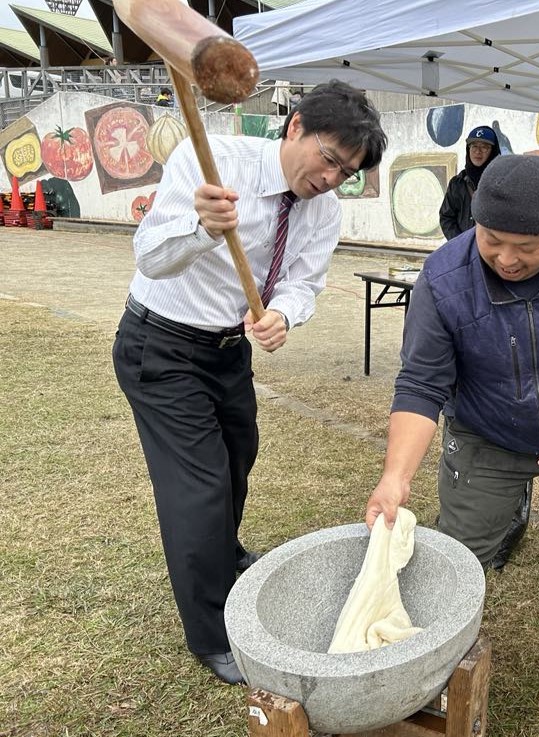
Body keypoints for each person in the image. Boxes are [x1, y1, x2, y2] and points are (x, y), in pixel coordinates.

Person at [112, 80, 388, 684]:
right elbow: (150, 257)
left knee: (238, 457)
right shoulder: (211, 162)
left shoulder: (323, 209)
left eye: (347, 173)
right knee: (200, 487)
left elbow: (304, 280)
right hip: (160, 343)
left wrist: (282, 313)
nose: (331, 179)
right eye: (330, 160)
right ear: (295, 128)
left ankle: (222, 554)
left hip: (227, 351)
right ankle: (211, 633)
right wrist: (201, 228)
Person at [365, 155, 539, 581]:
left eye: (526, 247)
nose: (506, 259)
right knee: (459, 558)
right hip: (486, 435)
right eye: (492, 239)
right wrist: (395, 477)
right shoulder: (444, 279)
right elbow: (421, 385)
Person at [438, 125, 501, 240]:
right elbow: (446, 217)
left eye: (484, 147)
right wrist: (460, 243)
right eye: (474, 146)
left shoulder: (502, 183)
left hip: (493, 252)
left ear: (493, 152)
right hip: (463, 252)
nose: (478, 151)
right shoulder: (457, 183)